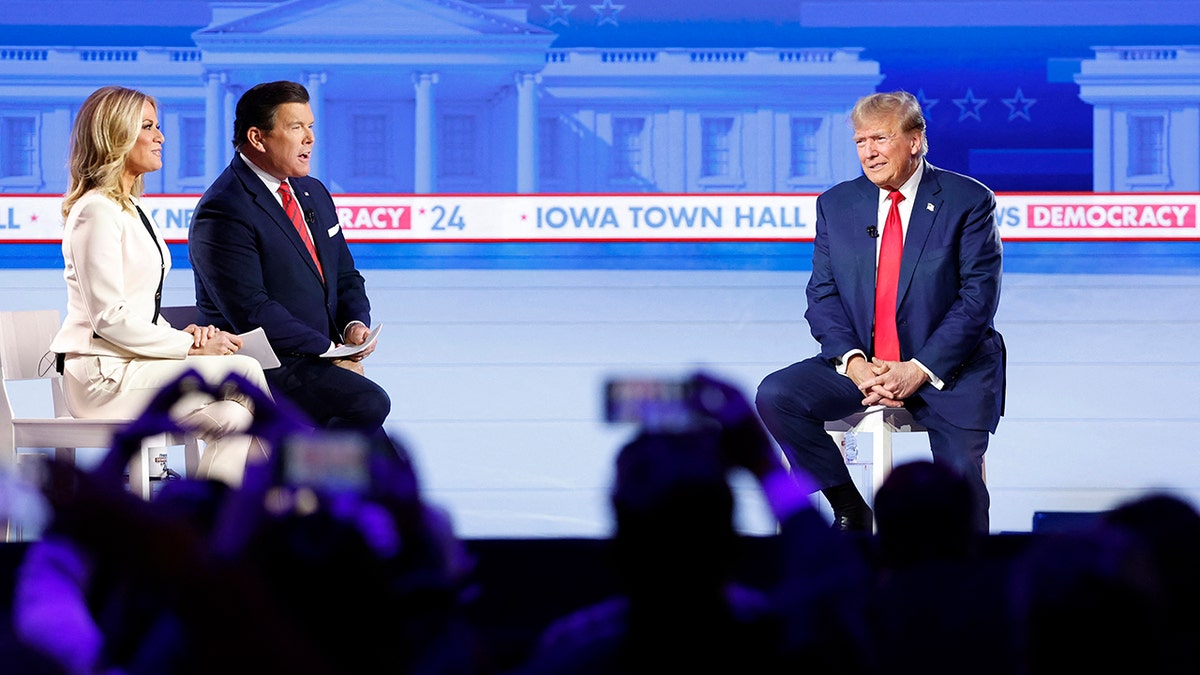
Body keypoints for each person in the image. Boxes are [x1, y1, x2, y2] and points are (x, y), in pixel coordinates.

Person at [755, 90, 1005, 533]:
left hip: (950, 368)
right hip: (865, 364)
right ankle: (849, 507)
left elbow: (977, 299)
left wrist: (920, 368)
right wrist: (852, 362)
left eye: (880, 139)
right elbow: (823, 294)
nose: (868, 152)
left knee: (961, 482)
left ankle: (966, 572)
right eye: (860, 141)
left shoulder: (968, 200)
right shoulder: (836, 204)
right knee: (778, 395)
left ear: (916, 141)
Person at [48, 85, 270, 486]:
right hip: (103, 380)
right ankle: (305, 495)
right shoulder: (96, 211)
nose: (160, 136)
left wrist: (182, 334)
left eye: (158, 126)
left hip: (135, 367)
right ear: (115, 136)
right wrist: (191, 346)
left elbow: (138, 310)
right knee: (245, 369)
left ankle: (207, 525)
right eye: (147, 126)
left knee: (235, 416)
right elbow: (110, 319)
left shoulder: (128, 207)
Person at [188, 80, 390, 436]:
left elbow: (345, 276)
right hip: (261, 366)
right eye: (296, 127)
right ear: (257, 138)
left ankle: (314, 483)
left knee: (375, 453)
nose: (309, 138)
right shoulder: (224, 208)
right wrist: (330, 352)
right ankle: (308, 481)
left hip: (316, 363)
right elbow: (252, 310)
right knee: (368, 404)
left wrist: (352, 327)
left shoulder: (312, 192)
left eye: (310, 127)